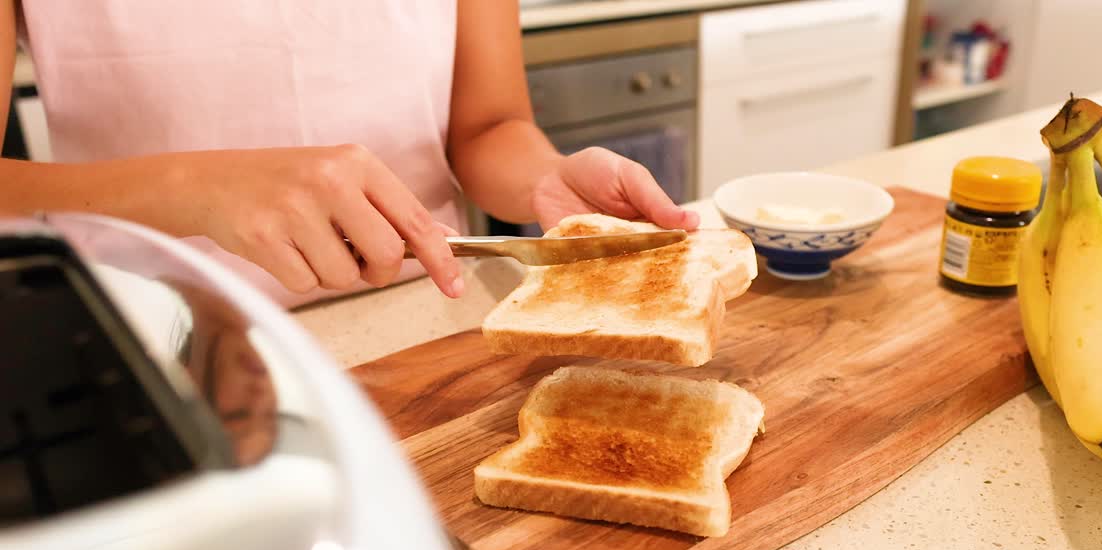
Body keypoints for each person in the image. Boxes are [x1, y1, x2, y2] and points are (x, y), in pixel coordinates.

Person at [0, 1, 699, 307]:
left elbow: (489, 125)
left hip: (419, 321)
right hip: (166, 343)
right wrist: (195, 186)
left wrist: (546, 179)